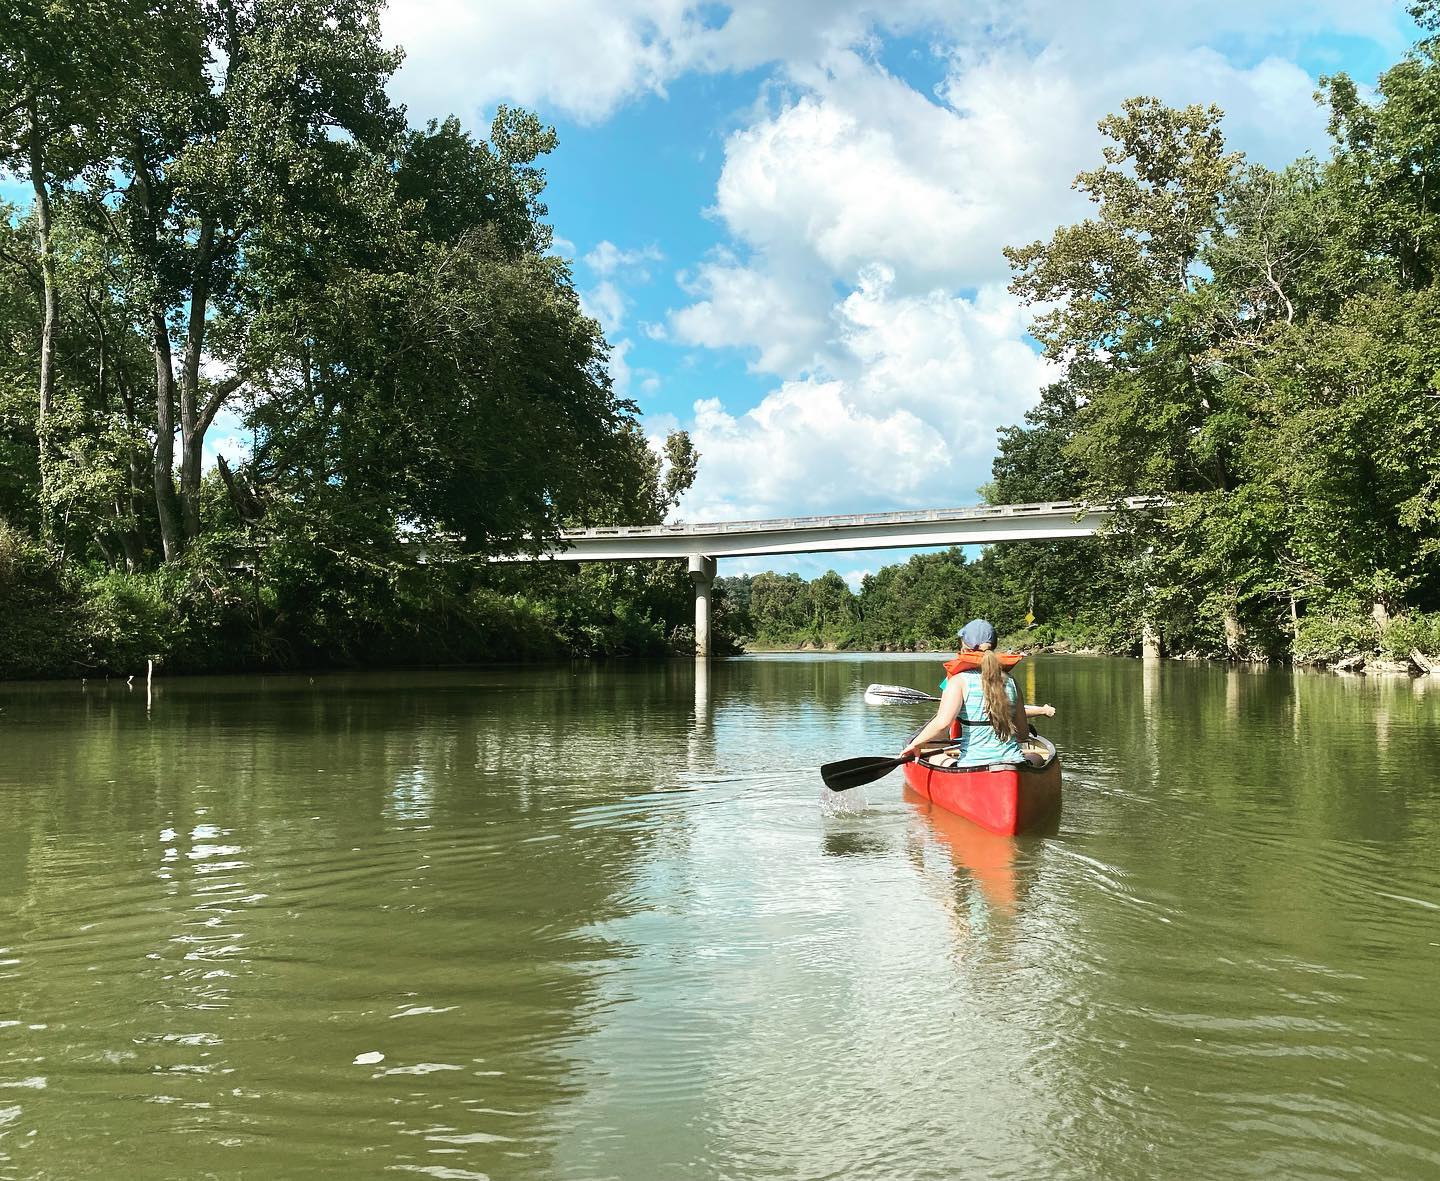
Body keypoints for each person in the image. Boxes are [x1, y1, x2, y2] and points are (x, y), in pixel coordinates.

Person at [899, 619, 1054, 767]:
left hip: (973, 764)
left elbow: (942, 725)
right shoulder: (1011, 681)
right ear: (994, 646)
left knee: (933, 754)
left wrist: (915, 744)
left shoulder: (958, 681)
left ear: (964, 647)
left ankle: (950, 765)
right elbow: (1022, 734)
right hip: (1013, 763)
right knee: (1036, 758)